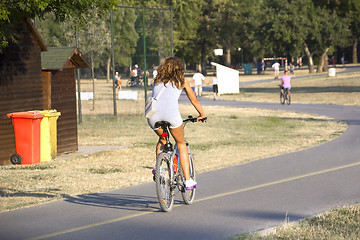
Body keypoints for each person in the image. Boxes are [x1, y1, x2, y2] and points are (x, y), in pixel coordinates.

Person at [147, 57, 206, 190]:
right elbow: (194, 100)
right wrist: (202, 115)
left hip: (153, 116)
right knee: (181, 143)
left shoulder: (157, 80)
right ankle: (187, 180)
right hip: (171, 115)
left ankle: (158, 168)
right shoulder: (182, 81)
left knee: (162, 138)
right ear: (180, 68)